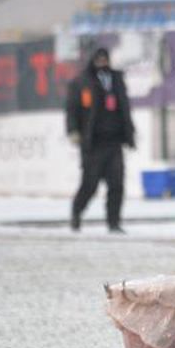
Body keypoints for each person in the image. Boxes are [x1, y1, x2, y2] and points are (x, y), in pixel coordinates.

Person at [66, 47, 135, 232]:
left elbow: (125, 108)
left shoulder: (116, 80)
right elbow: (72, 109)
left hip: (114, 142)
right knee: (90, 184)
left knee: (117, 185)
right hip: (93, 143)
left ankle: (114, 222)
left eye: (105, 59)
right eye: (99, 60)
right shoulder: (81, 82)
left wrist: (130, 133)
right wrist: (73, 131)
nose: (103, 63)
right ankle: (76, 212)